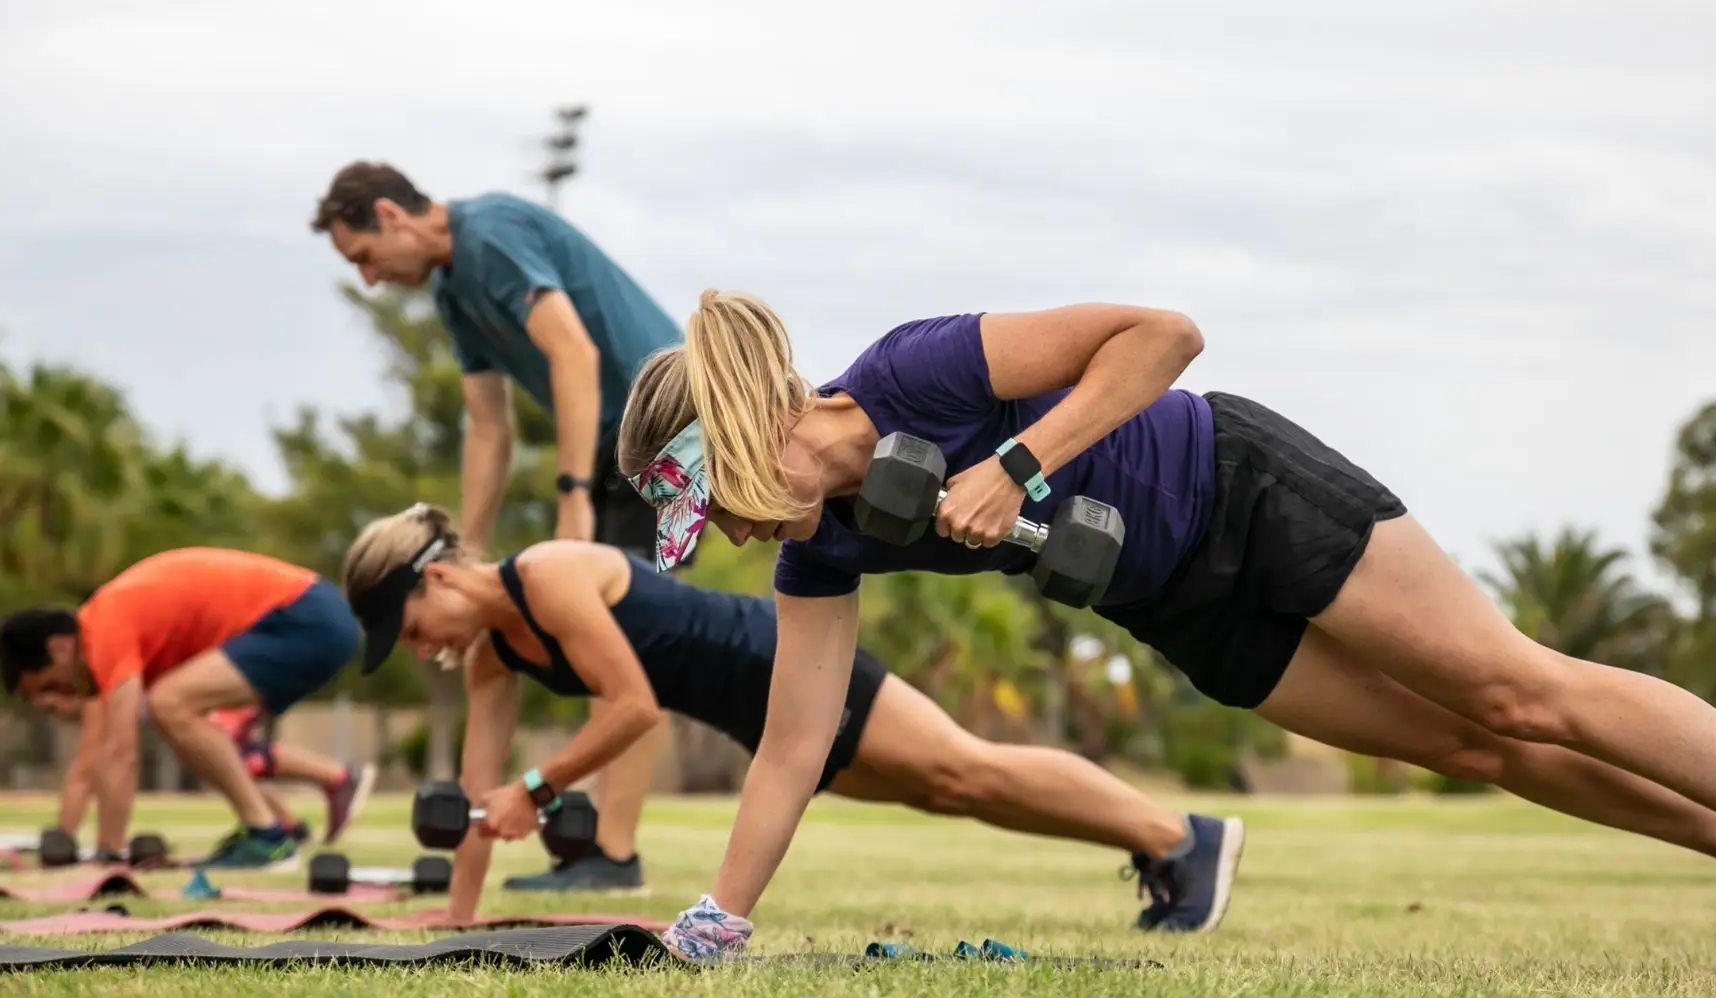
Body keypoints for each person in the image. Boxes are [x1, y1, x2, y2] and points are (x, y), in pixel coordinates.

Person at [613, 290, 1716, 971]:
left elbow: (1164, 333)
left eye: (708, 508)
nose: (720, 538)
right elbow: (795, 744)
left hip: (1245, 489)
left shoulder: (915, 368)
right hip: (1174, 601)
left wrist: (1017, 463)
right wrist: (721, 917)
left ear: (730, 440)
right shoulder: (828, 540)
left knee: (1515, 689)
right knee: (1477, 747)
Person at [338, 503, 1245, 934]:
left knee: (964, 766)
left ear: (439, 577)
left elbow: (633, 709)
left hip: (783, 659)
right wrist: (457, 927)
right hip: (752, 712)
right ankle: (1167, 848)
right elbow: (472, 797)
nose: (419, 646)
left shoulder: (547, 574)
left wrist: (536, 787)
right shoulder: (494, 654)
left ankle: (1180, 835)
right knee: (949, 790)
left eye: (411, 625)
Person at [309, 160, 691, 894]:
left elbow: (573, 353)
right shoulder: (454, 289)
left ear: (391, 215)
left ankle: (612, 856)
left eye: (363, 256)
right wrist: (460, 557)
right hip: (618, 444)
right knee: (603, 647)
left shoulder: (489, 234)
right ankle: (604, 854)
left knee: (627, 648)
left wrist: (573, 492)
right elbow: (488, 428)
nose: (368, 277)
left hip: (662, 427)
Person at [0, 547, 371, 867]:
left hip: (304, 617)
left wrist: (108, 855)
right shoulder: (112, 630)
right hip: (310, 617)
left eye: (50, 686)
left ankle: (267, 835)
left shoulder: (103, 631)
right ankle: (275, 827)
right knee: (202, 733)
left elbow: (120, 754)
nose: (59, 697)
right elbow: (105, 748)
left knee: (171, 704)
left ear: (59, 648)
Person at [209, 705, 377, 845]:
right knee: (223, 752)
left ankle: (337, 777)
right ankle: (287, 827)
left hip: (233, 670)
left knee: (222, 748)